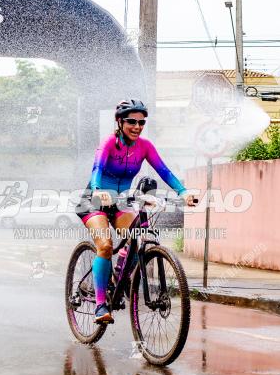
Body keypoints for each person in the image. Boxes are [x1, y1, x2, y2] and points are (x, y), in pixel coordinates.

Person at [77, 99, 196, 325]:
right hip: (94, 200)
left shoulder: (145, 146)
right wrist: (97, 190)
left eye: (141, 122)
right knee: (105, 246)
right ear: (120, 122)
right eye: (132, 121)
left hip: (120, 202)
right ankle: (101, 305)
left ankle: (117, 278)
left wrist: (183, 192)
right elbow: (97, 170)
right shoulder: (109, 144)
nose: (137, 126)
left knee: (138, 237)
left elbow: (165, 171)